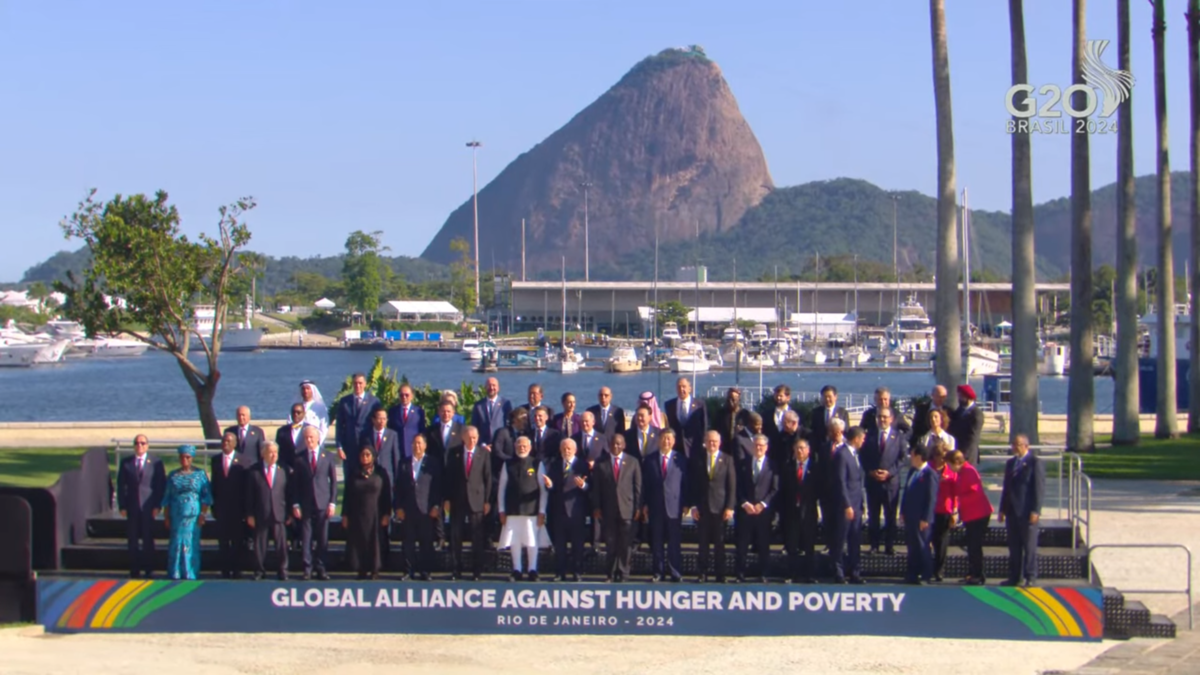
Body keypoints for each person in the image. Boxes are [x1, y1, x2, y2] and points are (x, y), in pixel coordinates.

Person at [497, 436, 549, 581]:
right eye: (519, 445)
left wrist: (542, 511)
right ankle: (517, 570)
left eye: (525, 445)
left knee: (532, 541)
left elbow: (543, 490)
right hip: (512, 511)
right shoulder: (508, 464)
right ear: (515, 446)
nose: (522, 447)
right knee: (515, 541)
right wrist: (501, 510)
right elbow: (502, 488)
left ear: (530, 447)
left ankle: (532, 569)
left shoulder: (537, 463)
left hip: (531, 511)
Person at [591, 435, 642, 582]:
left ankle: (624, 573)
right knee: (611, 544)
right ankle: (610, 573)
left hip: (628, 509)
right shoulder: (601, 462)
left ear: (624, 445)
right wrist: (597, 507)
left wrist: (638, 507)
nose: (616, 447)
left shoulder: (633, 462)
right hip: (608, 510)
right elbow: (597, 488)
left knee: (625, 545)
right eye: (613, 444)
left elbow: (638, 487)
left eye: (619, 444)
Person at [292, 425, 338, 581]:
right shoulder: (299, 458)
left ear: (318, 438)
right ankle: (307, 568)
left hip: (322, 503)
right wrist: (295, 504)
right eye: (306, 438)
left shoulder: (328, 456)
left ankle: (321, 567)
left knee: (322, 538)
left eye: (311, 437)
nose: (309, 440)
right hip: (305, 504)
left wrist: (332, 503)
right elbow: (295, 484)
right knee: (306, 538)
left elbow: (333, 482)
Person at [446, 426, 492, 580]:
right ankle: (456, 569)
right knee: (455, 536)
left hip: (477, 500)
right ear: (463, 438)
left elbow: (488, 478)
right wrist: (446, 499)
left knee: (477, 537)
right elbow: (449, 477)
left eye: (475, 438)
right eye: (469, 438)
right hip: (457, 499)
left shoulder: (483, 453)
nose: (472, 441)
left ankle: (476, 571)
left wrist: (487, 501)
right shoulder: (454, 452)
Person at [642, 428, 688, 582]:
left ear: (673, 441)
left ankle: (675, 572)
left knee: (674, 543)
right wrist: (645, 504)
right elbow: (645, 484)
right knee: (657, 542)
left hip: (674, 507)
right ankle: (658, 572)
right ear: (658, 440)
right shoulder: (649, 460)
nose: (666, 441)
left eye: (669, 439)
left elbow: (686, 484)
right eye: (663, 438)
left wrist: (686, 504)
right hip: (655, 507)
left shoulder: (681, 459)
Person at [860, 407, 907, 556]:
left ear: (891, 419)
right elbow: (862, 456)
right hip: (873, 482)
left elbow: (903, 458)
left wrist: (890, 472)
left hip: (891, 483)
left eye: (885, 417)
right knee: (873, 516)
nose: (882, 420)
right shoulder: (869, 436)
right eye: (880, 417)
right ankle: (874, 546)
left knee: (890, 516)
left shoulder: (898, 437)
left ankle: (889, 546)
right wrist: (870, 471)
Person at [117, 434, 166, 579]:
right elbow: (121, 486)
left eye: (143, 443)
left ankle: (149, 569)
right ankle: (134, 570)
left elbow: (160, 485)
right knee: (132, 540)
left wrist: (158, 505)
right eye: (137, 443)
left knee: (148, 539)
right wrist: (122, 506)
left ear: (147, 445)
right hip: (131, 507)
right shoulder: (126, 463)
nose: (140, 446)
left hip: (148, 507)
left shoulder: (156, 462)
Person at [395, 434, 443, 581]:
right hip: (408, 509)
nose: (417, 446)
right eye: (415, 443)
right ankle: (408, 572)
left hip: (426, 509)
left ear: (425, 446)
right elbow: (398, 488)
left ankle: (425, 571)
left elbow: (438, 487)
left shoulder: (432, 463)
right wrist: (398, 507)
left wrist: (436, 506)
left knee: (426, 543)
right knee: (408, 543)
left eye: (420, 443)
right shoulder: (403, 463)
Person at [161, 445, 212, 581]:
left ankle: (190, 573)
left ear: (192, 458)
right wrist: (166, 516)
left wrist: (203, 514)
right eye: (182, 457)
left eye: (188, 457)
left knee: (191, 543)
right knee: (177, 543)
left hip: (193, 515)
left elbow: (206, 497)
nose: (185, 460)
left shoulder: (200, 474)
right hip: (176, 514)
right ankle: (175, 572)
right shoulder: (173, 475)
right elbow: (167, 497)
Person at [999, 434, 1044, 587]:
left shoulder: (1034, 463)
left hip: (1027, 512)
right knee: (1014, 546)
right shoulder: (1011, 463)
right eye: (1013, 444)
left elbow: (1038, 488)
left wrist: (1036, 510)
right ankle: (1014, 577)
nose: (1015, 447)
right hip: (1012, 511)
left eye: (1018, 444)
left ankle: (1030, 576)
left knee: (1029, 546)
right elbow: (1006, 488)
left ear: (1026, 446)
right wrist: (1002, 509)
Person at [544, 438, 591, 581]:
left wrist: (583, 486)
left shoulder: (582, 465)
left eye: (569, 448)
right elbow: (552, 488)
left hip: (576, 511)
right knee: (560, 546)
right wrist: (550, 485)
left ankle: (577, 572)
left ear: (575, 450)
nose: (566, 451)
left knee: (577, 545)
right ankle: (560, 573)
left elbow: (590, 487)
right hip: (559, 512)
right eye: (564, 448)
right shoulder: (554, 465)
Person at [691, 430, 736, 583]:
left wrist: (730, 507)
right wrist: (694, 506)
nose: (712, 444)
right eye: (709, 441)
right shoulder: (698, 459)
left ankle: (720, 574)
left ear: (720, 443)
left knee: (720, 544)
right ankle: (702, 573)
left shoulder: (728, 460)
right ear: (705, 442)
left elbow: (732, 485)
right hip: (703, 509)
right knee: (703, 545)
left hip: (720, 508)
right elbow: (694, 485)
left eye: (715, 442)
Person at [342, 446, 392, 580]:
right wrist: (345, 514)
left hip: (376, 513)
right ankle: (361, 569)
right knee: (359, 542)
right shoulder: (354, 473)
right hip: (357, 514)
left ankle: (375, 569)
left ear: (373, 456)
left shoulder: (381, 472)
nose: (365, 457)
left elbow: (386, 494)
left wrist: (387, 513)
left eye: (368, 455)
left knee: (375, 542)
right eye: (362, 455)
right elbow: (347, 495)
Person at [735, 434, 778, 583]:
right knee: (742, 545)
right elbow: (737, 486)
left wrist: (763, 504)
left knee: (763, 544)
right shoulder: (742, 463)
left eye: (761, 445)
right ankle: (740, 573)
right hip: (745, 511)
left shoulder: (773, 465)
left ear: (766, 448)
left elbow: (775, 488)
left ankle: (763, 574)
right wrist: (745, 503)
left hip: (763, 512)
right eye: (756, 445)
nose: (758, 448)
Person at [246, 441, 290, 580]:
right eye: (270, 452)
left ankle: (283, 570)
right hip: (261, 513)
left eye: (275, 453)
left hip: (279, 513)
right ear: (263, 454)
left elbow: (288, 493)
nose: (273, 455)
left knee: (282, 546)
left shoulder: (283, 470)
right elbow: (249, 495)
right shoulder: (254, 471)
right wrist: (250, 514)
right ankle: (259, 570)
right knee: (260, 545)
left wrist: (289, 513)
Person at [949, 449, 992, 585]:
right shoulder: (961, 473)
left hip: (978, 514)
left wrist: (959, 503)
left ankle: (978, 574)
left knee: (975, 545)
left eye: (950, 465)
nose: (949, 468)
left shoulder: (969, 471)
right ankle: (973, 572)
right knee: (971, 545)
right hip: (971, 515)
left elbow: (974, 491)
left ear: (956, 462)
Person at [829, 426, 866, 584]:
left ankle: (854, 572)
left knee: (854, 540)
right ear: (856, 438)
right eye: (862, 439)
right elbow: (840, 482)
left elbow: (858, 481)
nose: (863, 442)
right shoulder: (842, 455)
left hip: (857, 504)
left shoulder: (855, 455)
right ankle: (838, 572)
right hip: (846, 505)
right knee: (840, 539)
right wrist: (847, 505)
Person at [210, 430, 249, 578]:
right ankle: (225, 570)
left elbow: (246, 487)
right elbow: (214, 484)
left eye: (228, 441)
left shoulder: (244, 461)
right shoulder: (215, 460)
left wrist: (246, 509)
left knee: (237, 540)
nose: (225, 444)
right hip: (222, 508)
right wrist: (214, 505)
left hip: (238, 509)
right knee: (223, 541)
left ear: (234, 444)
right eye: (223, 441)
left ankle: (237, 569)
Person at [780, 438, 818, 583]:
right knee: (792, 545)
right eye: (797, 448)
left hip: (808, 511)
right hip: (791, 512)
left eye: (802, 448)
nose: (800, 451)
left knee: (809, 545)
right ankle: (791, 574)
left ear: (808, 450)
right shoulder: (787, 467)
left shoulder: (815, 467)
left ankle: (809, 575)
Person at [900, 445, 938, 585]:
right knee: (912, 546)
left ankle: (926, 575)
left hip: (921, 518)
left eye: (913, 455)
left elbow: (931, 498)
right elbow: (907, 492)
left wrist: (926, 518)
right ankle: (912, 573)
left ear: (919, 457)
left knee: (922, 546)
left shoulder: (930, 474)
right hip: (910, 516)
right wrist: (903, 511)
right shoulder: (912, 472)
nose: (911, 458)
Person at [334, 373, 381, 474]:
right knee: (350, 478)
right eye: (355, 383)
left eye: (360, 383)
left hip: (367, 446)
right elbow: (339, 426)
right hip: (349, 447)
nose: (358, 386)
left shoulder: (374, 401)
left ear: (365, 384)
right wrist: (339, 446)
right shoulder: (345, 402)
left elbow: (378, 423)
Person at [929, 442, 958, 582]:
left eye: (944, 457)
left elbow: (955, 493)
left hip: (945, 510)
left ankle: (939, 571)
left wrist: (954, 512)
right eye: (939, 456)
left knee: (942, 542)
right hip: (930, 510)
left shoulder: (951, 471)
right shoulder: (928, 468)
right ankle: (927, 569)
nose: (941, 460)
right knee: (928, 540)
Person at [665, 377, 708, 460]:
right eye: (679, 387)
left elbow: (704, 425)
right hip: (676, 448)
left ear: (690, 388)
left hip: (695, 448)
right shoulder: (669, 405)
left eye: (684, 386)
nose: (681, 389)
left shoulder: (700, 405)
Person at [386, 383, 426, 460]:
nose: (404, 397)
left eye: (407, 395)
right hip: (397, 450)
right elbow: (390, 430)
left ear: (412, 396)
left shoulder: (419, 412)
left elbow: (422, 431)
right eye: (401, 395)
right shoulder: (393, 411)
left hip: (413, 449)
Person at [471, 377, 511, 449]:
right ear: (485, 388)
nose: (491, 388)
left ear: (498, 388)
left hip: (501, 446)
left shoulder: (505, 404)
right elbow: (474, 427)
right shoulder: (478, 405)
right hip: (483, 446)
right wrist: (482, 444)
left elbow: (509, 425)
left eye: (494, 385)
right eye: (489, 385)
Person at [949, 384, 985, 466]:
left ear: (968, 398)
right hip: (956, 451)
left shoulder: (976, 414)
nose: (959, 399)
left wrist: (964, 454)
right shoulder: (959, 411)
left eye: (961, 397)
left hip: (968, 455)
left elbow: (973, 437)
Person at [807, 384, 849, 449]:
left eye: (829, 396)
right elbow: (812, 430)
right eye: (825, 397)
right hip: (820, 448)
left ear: (835, 397)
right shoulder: (816, 412)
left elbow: (846, 431)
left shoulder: (843, 412)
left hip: (837, 447)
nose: (827, 399)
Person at [910, 385, 947, 450]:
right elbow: (916, 429)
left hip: (942, 447)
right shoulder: (922, 409)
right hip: (925, 446)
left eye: (944, 397)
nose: (942, 399)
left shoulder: (949, 411)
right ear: (933, 396)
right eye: (939, 396)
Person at [294, 380, 329, 446]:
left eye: (308, 388)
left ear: (312, 390)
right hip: (299, 442)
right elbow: (291, 423)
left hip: (316, 442)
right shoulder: (296, 407)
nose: (305, 391)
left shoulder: (320, 407)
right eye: (303, 389)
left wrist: (318, 441)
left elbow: (324, 426)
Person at [713, 387, 750, 452]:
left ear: (738, 399)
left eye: (733, 399)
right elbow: (715, 430)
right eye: (729, 399)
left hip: (740, 450)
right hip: (723, 449)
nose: (730, 402)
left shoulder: (744, 414)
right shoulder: (721, 414)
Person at [274, 404, 307, 471]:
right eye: (293, 412)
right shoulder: (282, 431)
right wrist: (286, 467)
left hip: (305, 469)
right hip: (287, 470)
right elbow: (278, 452)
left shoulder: (310, 430)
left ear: (304, 414)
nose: (295, 414)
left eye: (298, 412)